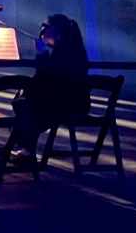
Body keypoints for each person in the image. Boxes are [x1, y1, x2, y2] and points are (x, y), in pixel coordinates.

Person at [10, 14, 90, 157]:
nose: (42, 30)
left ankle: (25, 145)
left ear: (55, 29)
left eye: (45, 27)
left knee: (26, 103)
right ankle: (26, 145)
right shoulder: (73, 47)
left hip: (65, 105)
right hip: (77, 103)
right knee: (28, 101)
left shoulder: (63, 50)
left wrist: (41, 53)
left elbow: (47, 78)